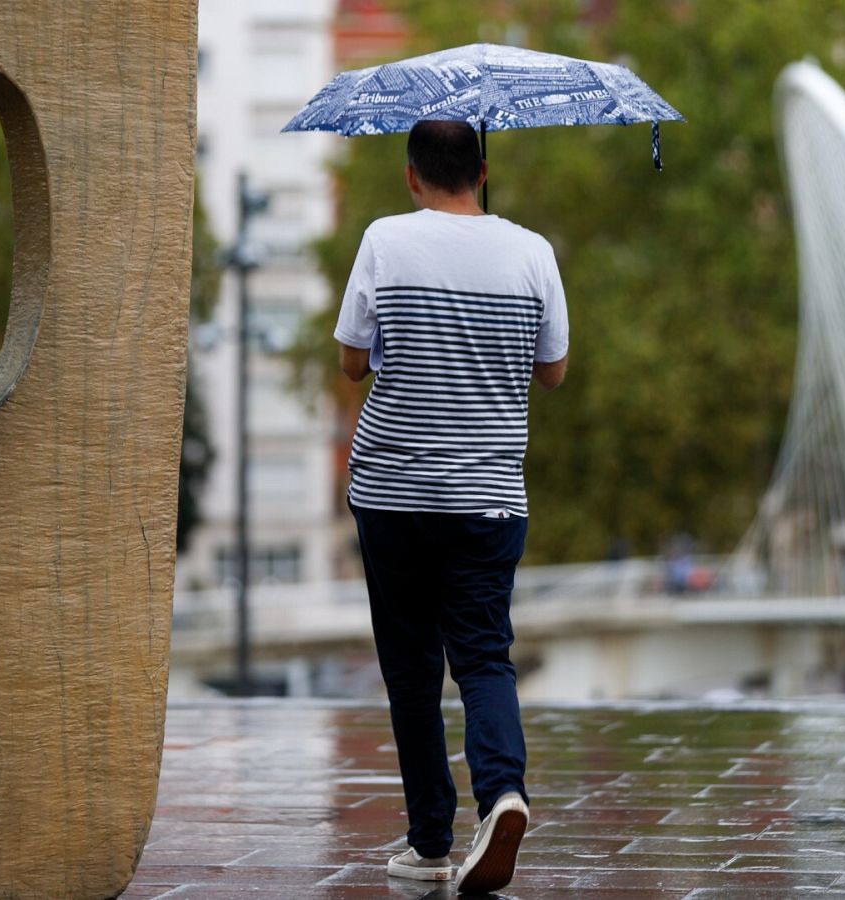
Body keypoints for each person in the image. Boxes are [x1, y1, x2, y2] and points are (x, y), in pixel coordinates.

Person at [333, 120, 569, 894]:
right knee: (483, 656)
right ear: (484, 170)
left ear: (412, 176)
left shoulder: (384, 240)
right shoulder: (532, 251)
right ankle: (503, 793)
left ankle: (430, 842)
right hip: (489, 500)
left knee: (410, 669)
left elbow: (351, 360)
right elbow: (555, 371)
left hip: (394, 495)